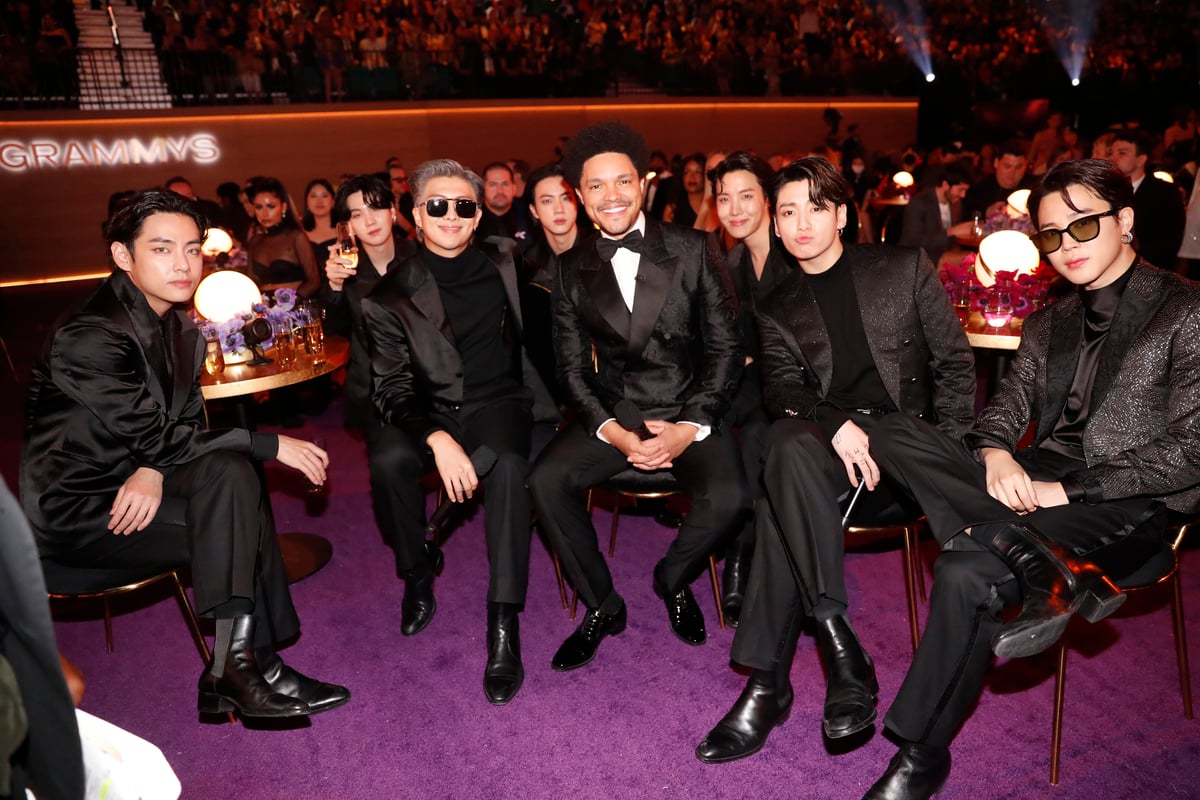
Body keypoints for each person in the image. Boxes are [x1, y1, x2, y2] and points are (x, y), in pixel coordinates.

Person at [859, 158, 1200, 799]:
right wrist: (995, 454)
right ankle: (1041, 562)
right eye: (1051, 234)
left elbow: (1193, 451)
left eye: (1083, 227)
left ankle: (921, 750)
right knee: (888, 427)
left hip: (1126, 500)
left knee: (963, 570)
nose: (1065, 246)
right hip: (1030, 482)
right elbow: (1003, 413)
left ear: (1125, 221)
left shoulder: (1187, 311)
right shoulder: (1049, 321)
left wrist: (1064, 491)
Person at [20, 189, 349, 721]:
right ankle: (241, 669)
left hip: (140, 481)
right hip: (82, 512)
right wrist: (270, 444)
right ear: (123, 256)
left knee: (231, 476)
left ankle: (241, 667)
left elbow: (180, 424)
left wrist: (153, 467)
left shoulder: (180, 326)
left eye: (192, 249)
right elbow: (157, 432)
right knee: (239, 506)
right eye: (162, 249)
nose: (182, 263)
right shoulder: (89, 335)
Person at [695, 157, 975, 764]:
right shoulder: (775, 302)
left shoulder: (901, 268)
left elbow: (955, 365)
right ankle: (835, 636)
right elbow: (783, 393)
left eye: (815, 208)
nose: (800, 224)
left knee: (777, 499)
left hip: (905, 461)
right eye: (788, 211)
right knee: (788, 446)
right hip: (830, 461)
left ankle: (770, 684)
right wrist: (837, 422)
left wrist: (946, 450)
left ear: (842, 215)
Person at [528, 121, 748, 671]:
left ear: (644, 183)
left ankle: (672, 579)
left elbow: (726, 348)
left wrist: (689, 426)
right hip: (617, 412)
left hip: (688, 407)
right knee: (544, 480)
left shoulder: (694, 247)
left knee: (731, 496)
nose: (611, 197)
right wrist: (619, 434)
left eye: (622, 182)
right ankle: (603, 604)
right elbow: (571, 371)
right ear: (580, 196)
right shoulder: (569, 265)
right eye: (596, 187)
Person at [359, 159, 558, 705]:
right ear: (414, 216)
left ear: (477, 219)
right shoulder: (387, 296)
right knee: (387, 462)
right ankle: (417, 571)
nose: (451, 215)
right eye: (437, 205)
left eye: (463, 206)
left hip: (499, 401)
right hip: (427, 409)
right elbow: (391, 389)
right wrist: (437, 439)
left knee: (513, 467)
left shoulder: (509, 258)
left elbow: (568, 272)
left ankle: (503, 625)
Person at [706, 151, 791, 625]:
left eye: (746, 196)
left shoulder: (794, 250)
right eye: (724, 198)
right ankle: (736, 529)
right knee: (708, 419)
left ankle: (746, 555)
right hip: (750, 376)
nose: (735, 209)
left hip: (798, 382)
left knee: (758, 429)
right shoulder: (731, 262)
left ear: (767, 199)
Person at [322, 174, 418, 431]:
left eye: (376, 208)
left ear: (393, 212)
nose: (370, 220)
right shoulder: (346, 270)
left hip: (428, 383)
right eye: (357, 214)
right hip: (373, 389)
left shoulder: (420, 258)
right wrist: (334, 286)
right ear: (348, 226)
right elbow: (332, 333)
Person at [1108, 128, 1187, 272]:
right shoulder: (1105, 191)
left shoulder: (1164, 192)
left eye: (1122, 153)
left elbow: (1168, 243)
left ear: (1141, 159)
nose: (1113, 158)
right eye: (1111, 153)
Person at [245, 177, 322, 298]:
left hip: (294, 309)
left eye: (271, 206)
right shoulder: (254, 242)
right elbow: (250, 282)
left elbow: (314, 281)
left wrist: (291, 303)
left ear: (284, 207)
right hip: (264, 310)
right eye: (259, 207)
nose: (265, 214)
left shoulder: (296, 237)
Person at [898, 162, 976, 267]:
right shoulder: (919, 203)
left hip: (940, 254)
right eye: (960, 190)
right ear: (945, 185)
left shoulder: (955, 203)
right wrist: (951, 232)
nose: (963, 195)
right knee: (973, 260)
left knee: (974, 258)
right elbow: (912, 242)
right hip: (917, 258)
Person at [962, 140, 1033, 221]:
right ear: (996, 163)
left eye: (1018, 167)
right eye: (1007, 166)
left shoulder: (1034, 188)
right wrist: (986, 212)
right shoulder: (977, 191)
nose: (1012, 172)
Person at [476, 161, 534, 246]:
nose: (500, 191)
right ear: (483, 189)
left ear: (514, 188)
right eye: (493, 185)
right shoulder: (472, 221)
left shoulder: (530, 217)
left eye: (505, 184)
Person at [301, 178, 338, 266]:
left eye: (324, 196)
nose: (319, 201)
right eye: (313, 196)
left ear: (333, 201)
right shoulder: (299, 234)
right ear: (307, 202)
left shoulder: (345, 232)